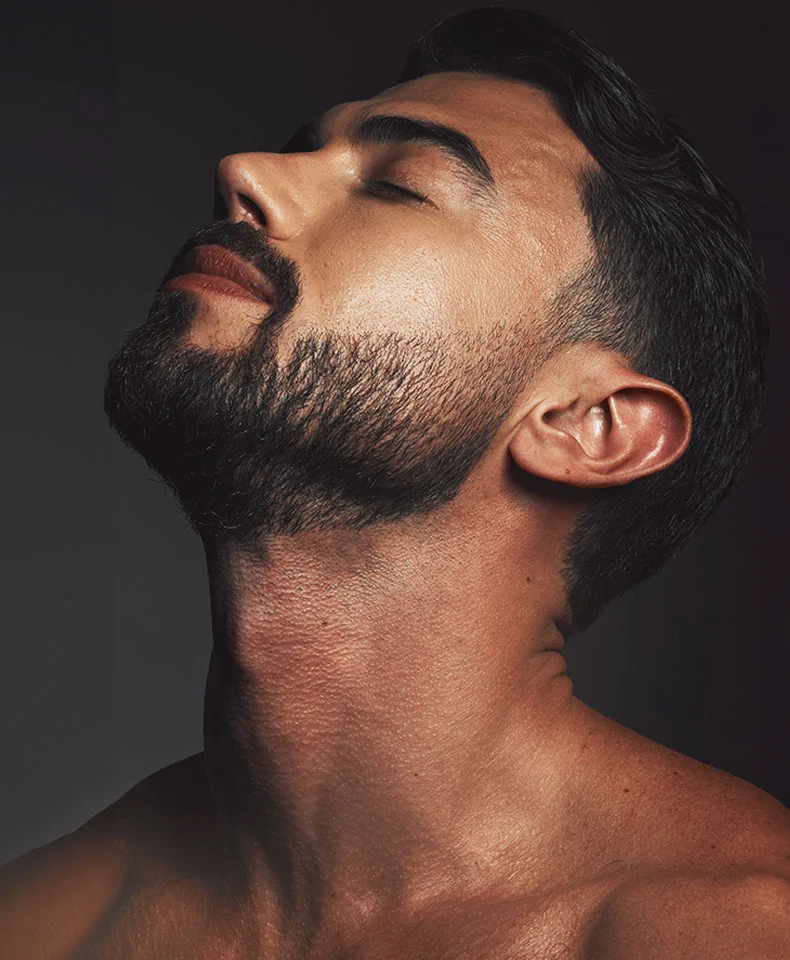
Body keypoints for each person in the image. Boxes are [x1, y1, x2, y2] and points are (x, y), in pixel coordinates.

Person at [2, 6, 788, 958]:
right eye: (306, 151)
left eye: (400, 185)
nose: (243, 174)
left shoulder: (733, 931)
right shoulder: (43, 922)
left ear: (590, 426)